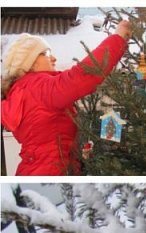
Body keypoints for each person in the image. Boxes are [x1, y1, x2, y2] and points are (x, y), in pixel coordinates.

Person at [1, 21, 132, 176]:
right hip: (51, 172)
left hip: (39, 169)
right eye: (47, 54)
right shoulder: (38, 86)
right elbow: (81, 76)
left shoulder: (21, 91)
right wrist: (118, 38)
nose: (54, 58)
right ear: (31, 63)